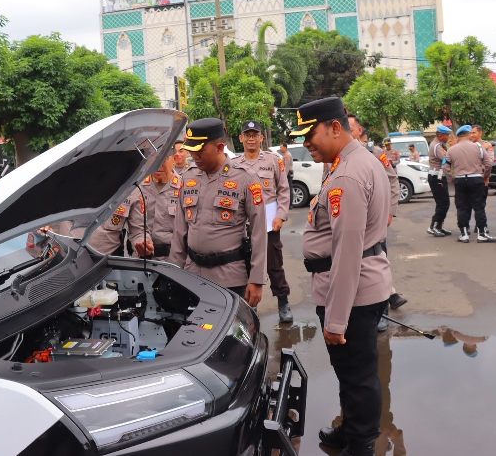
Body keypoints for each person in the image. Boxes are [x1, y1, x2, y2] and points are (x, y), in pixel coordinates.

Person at [293, 97, 391, 456]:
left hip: (351, 293)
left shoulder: (347, 173)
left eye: (311, 134)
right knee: (352, 373)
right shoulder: (353, 161)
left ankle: (361, 443)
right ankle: (351, 429)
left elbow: (348, 251)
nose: (306, 143)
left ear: (335, 127)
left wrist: (336, 318)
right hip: (360, 287)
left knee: (358, 376)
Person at [168, 118, 267, 306]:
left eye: (200, 151)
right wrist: (174, 273)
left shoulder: (246, 178)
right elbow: (179, 232)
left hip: (230, 277)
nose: (194, 156)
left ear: (220, 147)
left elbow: (259, 233)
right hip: (193, 275)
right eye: (192, 151)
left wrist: (256, 279)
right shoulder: (188, 177)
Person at [344, 114, 405, 318]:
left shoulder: (375, 153)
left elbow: (393, 181)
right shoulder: (336, 155)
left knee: (377, 260)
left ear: (359, 131)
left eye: (350, 129)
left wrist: (390, 212)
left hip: (373, 220)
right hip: (349, 220)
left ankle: (383, 312)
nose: (346, 133)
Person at [234, 121, 293, 322]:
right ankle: (251, 307)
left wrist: (280, 215)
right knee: (247, 267)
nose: (251, 138)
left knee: (274, 266)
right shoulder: (234, 163)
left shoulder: (273, 160)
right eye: (247, 134)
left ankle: (283, 301)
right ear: (241, 138)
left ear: (261, 137)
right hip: (244, 226)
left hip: (269, 224)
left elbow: (283, 190)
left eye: (255, 134)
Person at [26, 188, 153, 258]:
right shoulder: (66, 180)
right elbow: (42, 220)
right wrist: (42, 228)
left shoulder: (131, 188)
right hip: (67, 263)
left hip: (106, 266)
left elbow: (139, 231)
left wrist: (142, 244)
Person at [445, 125, 495, 243]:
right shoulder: (478, 147)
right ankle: (481, 234)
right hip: (476, 179)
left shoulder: (451, 150)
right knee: (479, 207)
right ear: (468, 135)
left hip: (460, 180)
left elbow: (445, 166)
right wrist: (485, 176)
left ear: (458, 136)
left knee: (462, 207)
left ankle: (464, 234)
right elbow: (489, 164)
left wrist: (452, 178)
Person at [141, 152, 182, 260]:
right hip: (141, 259)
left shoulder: (184, 188)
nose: (158, 164)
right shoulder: (138, 187)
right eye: (154, 159)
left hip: (172, 259)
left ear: (175, 159)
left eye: (163, 158)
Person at [469, 124, 496, 234]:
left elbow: (489, 161)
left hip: (481, 177)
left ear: (480, 132)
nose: (472, 135)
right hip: (470, 177)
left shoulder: (487, 145)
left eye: (474, 133)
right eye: (470, 133)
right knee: (468, 204)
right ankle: (466, 227)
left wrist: (486, 176)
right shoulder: (468, 145)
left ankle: (480, 225)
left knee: (481, 204)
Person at [426, 125, 453, 237]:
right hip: (437, 177)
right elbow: (447, 158)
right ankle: (433, 226)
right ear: (440, 135)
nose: (448, 137)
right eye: (446, 135)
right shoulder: (436, 146)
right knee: (443, 203)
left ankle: (439, 226)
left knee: (443, 202)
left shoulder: (440, 144)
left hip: (438, 176)